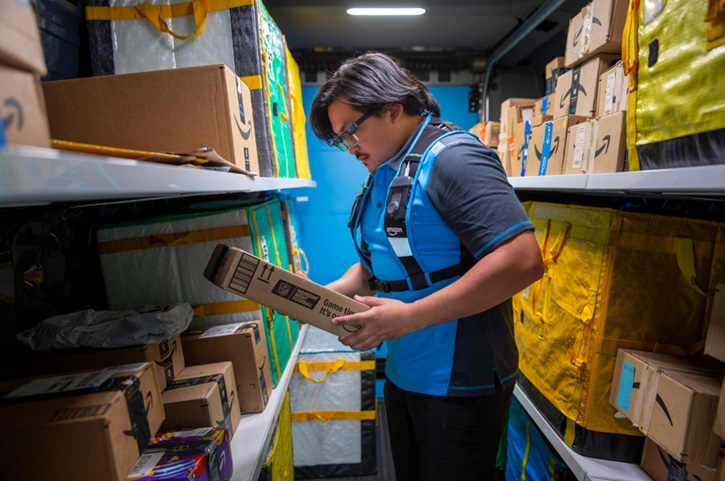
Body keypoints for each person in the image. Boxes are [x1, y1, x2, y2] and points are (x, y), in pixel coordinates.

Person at [308, 51, 544, 481]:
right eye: (341, 139)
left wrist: (411, 316)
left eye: (351, 131)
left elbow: (522, 260)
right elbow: (376, 266)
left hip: (460, 383)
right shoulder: (385, 170)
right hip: (406, 371)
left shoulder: (454, 158)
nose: (350, 147)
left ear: (392, 108)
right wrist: (316, 295)